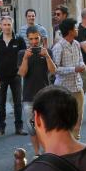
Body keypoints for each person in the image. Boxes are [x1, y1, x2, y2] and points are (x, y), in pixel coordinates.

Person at [18, 25, 56, 156]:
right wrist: (25, 59)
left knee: (45, 127)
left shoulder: (47, 52)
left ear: (40, 38)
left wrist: (47, 57)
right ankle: (36, 153)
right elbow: (22, 73)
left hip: (44, 96)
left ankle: (46, 151)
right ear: (27, 39)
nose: (34, 41)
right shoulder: (22, 53)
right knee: (32, 128)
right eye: (31, 39)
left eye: (36, 38)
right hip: (28, 97)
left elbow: (53, 71)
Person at [0, 16, 27, 136]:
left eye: (9, 24)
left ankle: (19, 127)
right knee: (1, 103)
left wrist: (20, 72)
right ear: (1, 26)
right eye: (4, 25)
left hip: (15, 77)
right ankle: (0, 128)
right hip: (0, 77)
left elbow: (24, 58)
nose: (7, 27)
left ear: (12, 25)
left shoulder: (19, 40)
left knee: (18, 103)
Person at [52, 18, 85, 140]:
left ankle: (75, 141)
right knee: (65, 119)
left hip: (78, 86)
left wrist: (82, 65)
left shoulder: (76, 44)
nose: (77, 29)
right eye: (75, 28)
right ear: (70, 31)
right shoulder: (58, 47)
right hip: (64, 89)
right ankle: (65, 144)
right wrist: (73, 69)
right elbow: (55, 69)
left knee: (79, 117)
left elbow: (81, 59)